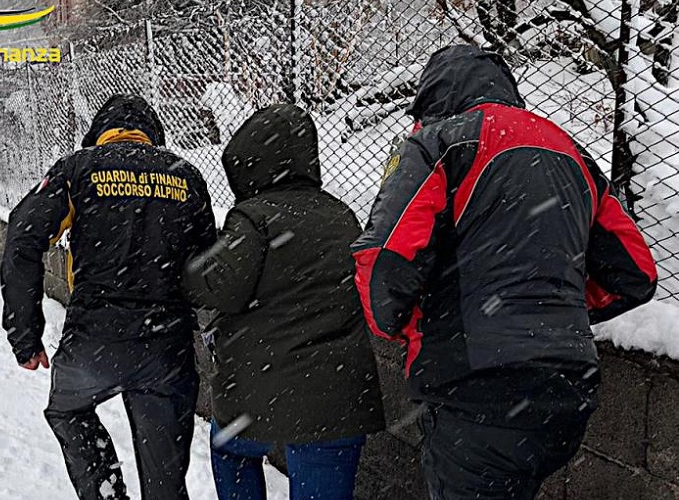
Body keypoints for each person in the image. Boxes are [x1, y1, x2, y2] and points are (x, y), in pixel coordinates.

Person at [353, 45, 658, 500]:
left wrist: (414, 326)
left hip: (476, 392)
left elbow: (384, 267)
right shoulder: (570, 152)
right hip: (566, 394)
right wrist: (555, 311)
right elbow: (636, 273)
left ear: (433, 96)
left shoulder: (440, 143)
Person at [0, 94, 216, 500]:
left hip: (94, 341)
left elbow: (22, 239)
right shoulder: (185, 176)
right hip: (166, 348)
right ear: (152, 137)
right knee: (166, 480)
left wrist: (24, 334)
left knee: (67, 409)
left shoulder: (77, 169)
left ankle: (105, 491)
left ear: (100, 133)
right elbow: (209, 268)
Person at [184, 104, 385, 500]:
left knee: (230, 451)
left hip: (259, 391)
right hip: (338, 397)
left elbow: (219, 286)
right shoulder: (341, 214)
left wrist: (190, 265)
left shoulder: (255, 217)